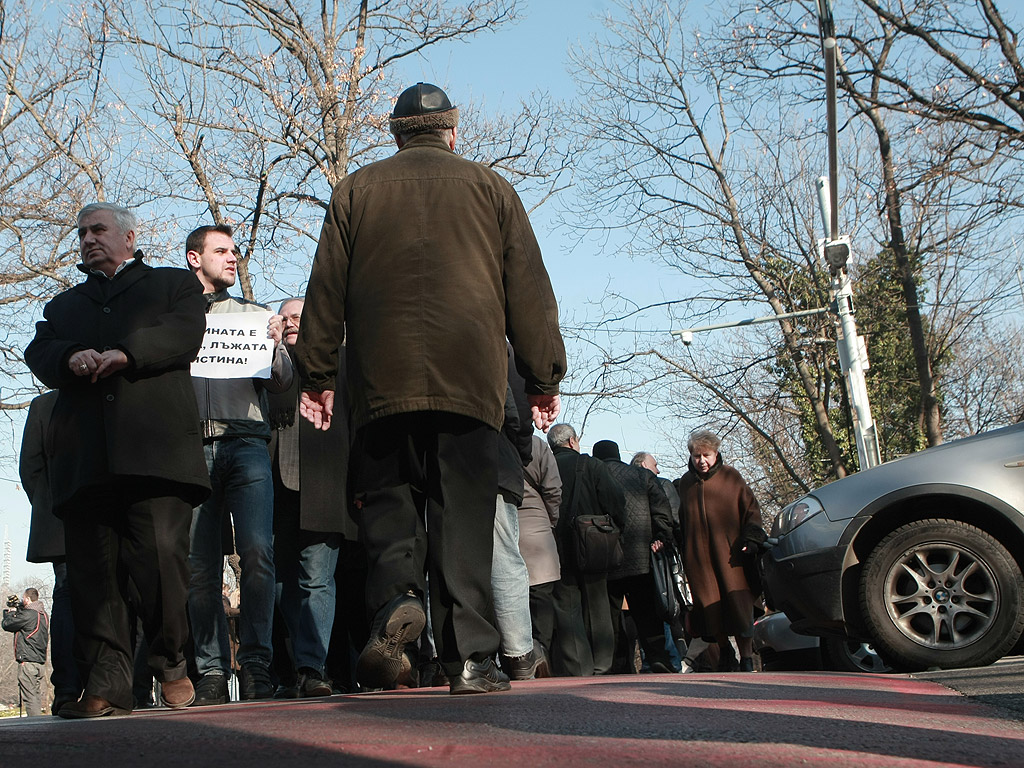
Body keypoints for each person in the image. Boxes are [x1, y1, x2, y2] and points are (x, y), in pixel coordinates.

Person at [294, 82, 566, 695]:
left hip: (379, 385)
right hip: (468, 384)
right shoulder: (491, 189)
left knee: (389, 508)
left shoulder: (356, 190)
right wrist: (542, 377)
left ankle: (396, 600)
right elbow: (529, 291)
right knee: (462, 520)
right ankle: (470, 659)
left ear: (395, 132)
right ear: (452, 131)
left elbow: (325, 288)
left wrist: (316, 375)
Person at [24, 201, 209, 718]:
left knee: (161, 563)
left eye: (98, 229)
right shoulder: (65, 306)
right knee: (93, 576)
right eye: (81, 232)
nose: (87, 238)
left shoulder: (173, 285)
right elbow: (38, 351)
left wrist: (126, 353)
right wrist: (68, 357)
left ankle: (171, 663)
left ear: (129, 238)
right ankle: (108, 683)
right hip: (85, 460)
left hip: (155, 455)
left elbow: (183, 333)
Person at [185, 224, 293, 705]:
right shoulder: (176, 318)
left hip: (246, 442)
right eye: (221, 251)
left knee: (257, 552)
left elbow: (284, 382)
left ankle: (255, 666)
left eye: (235, 252)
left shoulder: (254, 315)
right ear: (194, 258)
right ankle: (210, 672)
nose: (232, 259)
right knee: (199, 566)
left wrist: (274, 346)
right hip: (188, 449)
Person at [267, 297, 361, 697]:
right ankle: (295, 666)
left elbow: (359, 423)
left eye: (298, 318)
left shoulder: (341, 362)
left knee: (317, 579)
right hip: (273, 489)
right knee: (280, 584)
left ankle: (313, 667)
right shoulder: (263, 363)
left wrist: (361, 486)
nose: (290, 323)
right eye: (284, 318)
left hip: (326, 488)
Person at [673, 430, 766, 672]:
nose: (701, 461)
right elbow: (682, 520)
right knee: (710, 609)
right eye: (696, 456)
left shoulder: (731, 478)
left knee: (739, 608)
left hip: (731, 557)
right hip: (699, 561)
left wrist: (752, 538)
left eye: (706, 455)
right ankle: (725, 652)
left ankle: (745, 658)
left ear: (716, 454)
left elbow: (751, 511)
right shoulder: (685, 483)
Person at [19, 391, 81, 715]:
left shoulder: (44, 406)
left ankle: (67, 689)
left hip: (59, 520)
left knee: (67, 598)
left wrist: (46, 505)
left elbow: (30, 468)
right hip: (86, 517)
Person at [546, 424, 626, 676]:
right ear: (572, 441)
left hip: (556, 546)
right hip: (593, 544)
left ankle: (578, 667)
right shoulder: (591, 465)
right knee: (598, 603)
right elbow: (615, 500)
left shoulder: (546, 466)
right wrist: (615, 528)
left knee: (566, 606)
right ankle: (603, 664)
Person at [592, 440, 675, 673]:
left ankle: (618, 666)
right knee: (648, 614)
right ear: (618, 455)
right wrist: (661, 537)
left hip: (605, 557)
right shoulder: (642, 476)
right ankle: (659, 658)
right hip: (641, 557)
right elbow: (662, 510)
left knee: (610, 618)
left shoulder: (592, 474)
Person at [517, 434, 562, 659]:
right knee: (541, 598)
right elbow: (553, 488)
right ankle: (541, 654)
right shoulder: (536, 444)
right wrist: (551, 520)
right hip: (537, 529)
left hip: (499, 524)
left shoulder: (488, 438)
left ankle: (516, 658)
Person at [3, 589, 50, 716]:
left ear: (28, 599)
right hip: (39, 661)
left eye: (23, 598)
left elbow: (7, 624)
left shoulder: (29, 614)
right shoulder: (43, 615)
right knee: (35, 695)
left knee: (30, 697)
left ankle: (35, 725)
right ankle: (38, 723)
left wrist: (11, 612)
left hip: (27, 661)